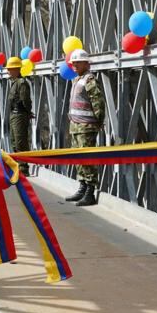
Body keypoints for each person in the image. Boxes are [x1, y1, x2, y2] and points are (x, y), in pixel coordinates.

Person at [63, 49, 107, 207]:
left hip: (86, 127)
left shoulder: (90, 80)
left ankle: (90, 192)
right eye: (73, 62)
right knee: (78, 159)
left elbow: (98, 103)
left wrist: (98, 122)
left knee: (87, 160)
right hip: (75, 126)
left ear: (86, 63)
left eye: (77, 62)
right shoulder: (76, 79)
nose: (74, 65)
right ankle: (82, 187)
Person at [6, 57, 33, 176]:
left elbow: (25, 101)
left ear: (17, 69)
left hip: (20, 115)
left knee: (20, 141)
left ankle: (23, 168)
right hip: (14, 115)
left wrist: (27, 112)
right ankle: (18, 165)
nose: (8, 71)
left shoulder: (22, 83)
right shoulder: (14, 83)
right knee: (14, 140)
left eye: (10, 69)